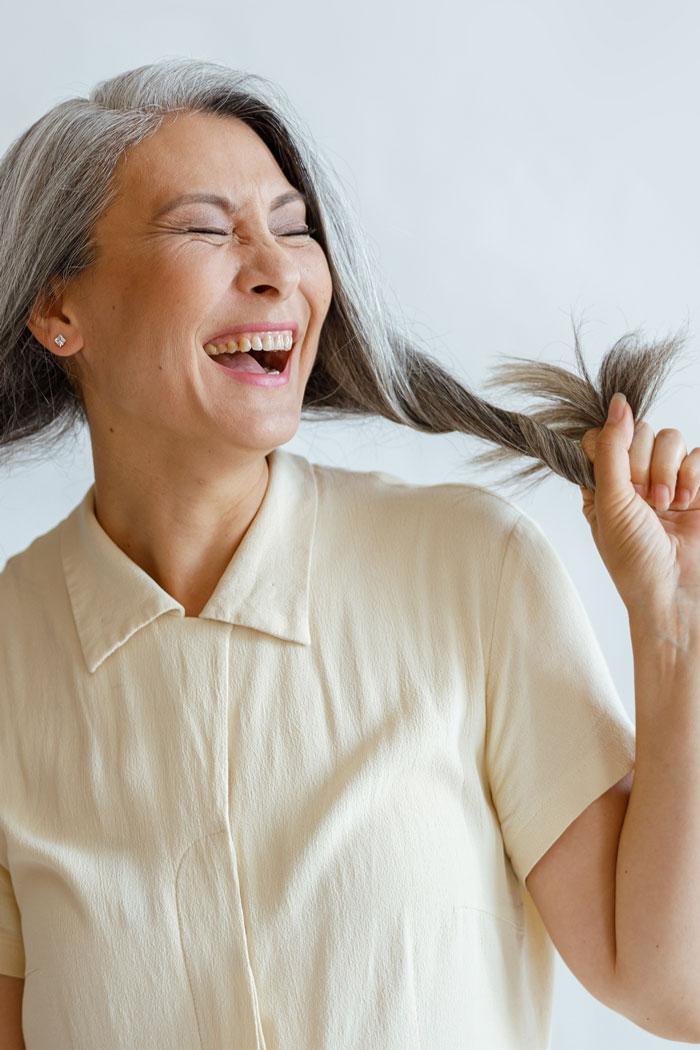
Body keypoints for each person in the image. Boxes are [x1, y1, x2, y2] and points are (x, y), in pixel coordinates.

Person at [0, 57, 696, 1049]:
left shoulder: (466, 568)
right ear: (57, 308)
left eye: (292, 227)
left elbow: (672, 987)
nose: (278, 267)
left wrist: (677, 634)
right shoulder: (10, 657)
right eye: (206, 228)